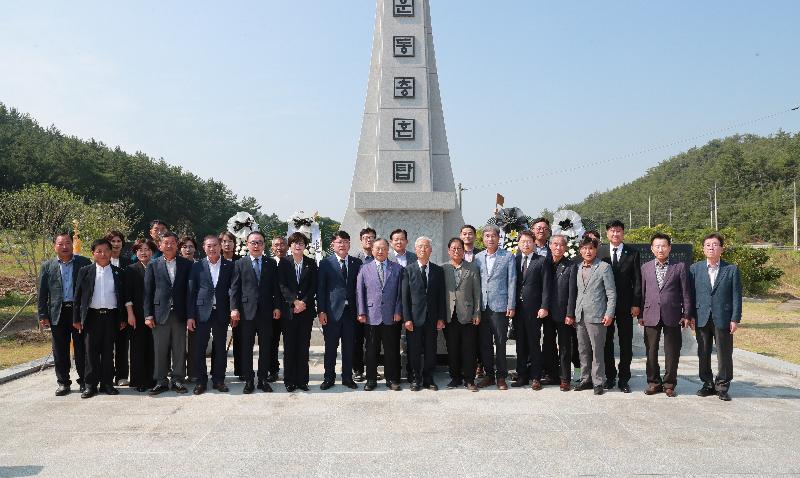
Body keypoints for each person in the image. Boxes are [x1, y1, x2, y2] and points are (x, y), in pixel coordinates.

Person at [689, 232, 742, 401]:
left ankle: (722, 386)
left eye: (715, 245)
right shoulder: (695, 268)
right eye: (708, 245)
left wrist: (735, 318)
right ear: (703, 249)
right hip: (701, 316)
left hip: (723, 317)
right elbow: (690, 294)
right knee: (703, 352)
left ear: (721, 248)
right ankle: (707, 384)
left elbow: (736, 296)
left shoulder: (731, 269)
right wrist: (690, 315)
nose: (711, 248)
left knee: (724, 353)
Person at [38, 232, 91, 396]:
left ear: (72, 244)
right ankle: (63, 383)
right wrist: (42, 315)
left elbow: (89, 289)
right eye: (61, 244)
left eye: (68, 243)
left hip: (78, 313)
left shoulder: (83, 262)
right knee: (59, 350)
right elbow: (42, 293)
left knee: (82, 348)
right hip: (57, 313)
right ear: (55, 246)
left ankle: (84, 381)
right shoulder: (48, 266)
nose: (65, 246)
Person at [640, 232, 693, 397]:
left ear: (669, 248)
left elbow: (686, 293)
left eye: (664, 246)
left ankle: (669, 384)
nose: (660, 249)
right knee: (651, 350)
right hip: (651, 313)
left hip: (673, 313)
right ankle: (653, 383)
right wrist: (641, 314)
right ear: (652, 248)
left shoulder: (679, 267)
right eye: (657, 246)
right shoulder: (646, 267)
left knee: (672, 351)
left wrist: (687, 314)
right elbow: (642, 292)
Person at [230, 231, 281, 394]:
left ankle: (263, 379)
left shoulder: (271, 263)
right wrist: (234, 308)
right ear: (247, 244)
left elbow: (276, 288)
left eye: (259, 242)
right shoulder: (240, 263)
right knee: (246, 347)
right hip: (246, 313)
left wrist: (277, 306)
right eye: (253, 242)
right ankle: (249, 380)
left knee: (266, 347)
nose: (256, 245)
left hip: (266, 312)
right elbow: (235, 289)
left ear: (264, 245)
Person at [73, 239, 125, 398]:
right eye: (99, 251)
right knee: (91, 352)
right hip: (91, 317)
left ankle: (107, 383)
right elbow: (78, 297)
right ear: (93, 253)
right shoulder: (85, 271)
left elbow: (121, 297)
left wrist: (122, 318)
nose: (103, 254)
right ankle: (90, 385)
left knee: (108, 352)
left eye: (106, 251)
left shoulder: (118, 272)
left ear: (111, 253)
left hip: (111, 317)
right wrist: (76, 318)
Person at [143, 232, 193, 395]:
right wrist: (148, 315)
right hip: (160, 313)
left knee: (179, 348)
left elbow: (190, 291)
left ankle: (178, 379)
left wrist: (190, 314)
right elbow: (148, 292)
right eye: (166, 243)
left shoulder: (186, 264)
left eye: (172, 242)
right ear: (160, 246)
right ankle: (161, 380)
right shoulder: (153, 264)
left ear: (177, 245)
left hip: (179, 313)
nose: (169, 245)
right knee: (160, 349)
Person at [567, 237, 616, 395]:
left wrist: (609, 313)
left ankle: (598, 381)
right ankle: (585, 379)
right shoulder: (578, 267)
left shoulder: (604, 267)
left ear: (596, 250)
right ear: (580, 250)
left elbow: (611, 292)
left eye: (591, 248)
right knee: (583, 350)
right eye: (585, 248)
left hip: (597, 316)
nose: (588, 251)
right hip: (580, 316)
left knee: (597, 351)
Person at [598, 220, 641, 393]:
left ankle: (624, 378)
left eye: (618, 231)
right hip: (604, 306)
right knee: (606, 342)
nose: (615, 234)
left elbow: (637, 280)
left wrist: (636, 303)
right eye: (612, 231)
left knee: (625, 343)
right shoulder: (600, 252)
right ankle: (610, 376)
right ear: (607, 233)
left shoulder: (633, 253)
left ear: (623, 233)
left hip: (625, 305)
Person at [187, 235, 234, 394]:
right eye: (209, 246)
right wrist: (190, 316)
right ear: (204, 247)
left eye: (215, 245)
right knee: (199, 348)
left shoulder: (229, 266)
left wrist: (234, 310)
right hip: (201, 312)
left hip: (222, 311)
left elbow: (233, 291)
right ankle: (201, 381)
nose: (212, 248)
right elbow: (192, 292)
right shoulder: (197, 266)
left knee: (220, 347)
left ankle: (218, 380)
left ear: (220, 246)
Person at [356, 238, 404, 391]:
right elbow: (359, 292)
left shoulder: (397, 268)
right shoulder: (364, 268)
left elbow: (400, 294)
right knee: (371, 350)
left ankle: (392, 379)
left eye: (383, 248)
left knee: (392, 350)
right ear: (372, 250)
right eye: (377, 248)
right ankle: (370, 380)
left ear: (388, 249)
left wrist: (398, 311)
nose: (380, 251)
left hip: (391, 316)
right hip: (371, 315)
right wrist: (361, 312)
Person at [317, 231, 362, 390]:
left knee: (349, 347)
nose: (342, 245)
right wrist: (321, 311)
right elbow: (321, 288)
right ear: (333, 245)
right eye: (339, 242)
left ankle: (347, 377)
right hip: (331, 313)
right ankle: (328, 377)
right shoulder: (325, 263)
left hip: (351, 313)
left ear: (350, 244)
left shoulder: (357, 263)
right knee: (330, 348)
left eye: (345, 242)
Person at [474, 225, 517, 390]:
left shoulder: (507, 257)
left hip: (500, 307)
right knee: (484, 343)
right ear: (483, 239)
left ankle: (501, 377)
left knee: (500, 342)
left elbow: (512, 281)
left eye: (493, 236)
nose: (490, 239)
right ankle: (489, 375)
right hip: (483, 307)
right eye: (487, 236)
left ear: (499, 238)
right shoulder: (477, 258)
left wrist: (511, 304)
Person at [401, 237, 446, 391]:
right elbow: (404, 297)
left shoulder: (438, 270)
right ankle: (415, 378)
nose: (423, 249)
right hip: (414, 318)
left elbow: (441, 296)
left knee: (430, 350)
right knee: (413, 350)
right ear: (415, 249)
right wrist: (406, 318)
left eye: (426, 247)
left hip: (432, 318)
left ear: (431, 250)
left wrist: (441, 317)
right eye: (420, 246)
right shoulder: (408, 270)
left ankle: (428, 378)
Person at [511, 230, 552, 390]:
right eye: (523, 241)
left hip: (534, 309)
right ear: (518, 244)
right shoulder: (514, 260)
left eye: (529, 241)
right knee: (520, 343)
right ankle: (522, 375)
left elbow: (546, 287)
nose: (526, 244)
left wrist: (544, 306)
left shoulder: (541, 261)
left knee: (534, 343)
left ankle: (536, 376)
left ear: (534, 243)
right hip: (517, 309)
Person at [278, 232, 317, 392]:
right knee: (290, 347)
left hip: (306, 311)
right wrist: (294, 301)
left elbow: (313, 285)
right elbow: (282, 285)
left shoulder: (311, 263)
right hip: (289, 311)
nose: (298, 245)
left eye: (301, 243)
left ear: (305, 246)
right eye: (294, 243)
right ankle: (289, 380)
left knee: (303, 347)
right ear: (290, 246)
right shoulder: (284, 263)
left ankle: (302, 380)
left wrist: (304, 302)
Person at [442, 238, 481, 391]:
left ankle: (469, 379)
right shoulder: (443, 268)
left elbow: (477, 293)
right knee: (452, 349)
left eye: (459, 248)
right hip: (449, 315)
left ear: (464, 251)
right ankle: (455, 378)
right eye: (453, 248)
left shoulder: (472, 268)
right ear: (448, 251)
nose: (456, 251)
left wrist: (477, 313)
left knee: (469, 349)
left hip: (468, 315)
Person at [124, 239, 156, 392]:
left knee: (153, 347)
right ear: (136, 252)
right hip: (136, 314)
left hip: (155, 315)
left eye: (147, 249)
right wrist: (130, 314)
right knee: (138, 348)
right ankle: (138, 381)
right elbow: (127, 295)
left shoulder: (157, 267)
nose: (144, 252)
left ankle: (153, 379)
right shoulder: (130, 270)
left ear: (153, 252)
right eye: (140, 249)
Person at [548, 234, 577, 391]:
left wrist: (570, 314)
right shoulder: (544, 263)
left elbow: (572, 292)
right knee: (548, 345)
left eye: (561, 245)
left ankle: (565, 378)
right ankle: (553, 375)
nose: (558, 247)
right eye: (555, 244)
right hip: (547, 313)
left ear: (565, 248)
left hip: (563, 313)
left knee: (565, 347)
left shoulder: (571, 266)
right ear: (550, 246)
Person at [105, 231, 132, 386]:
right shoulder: (100, 261)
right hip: (105, 310)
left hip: (123, 310)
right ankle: (107, 375)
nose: (116, 244)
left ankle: (122, 376)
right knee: (106, 346)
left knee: (122, 345)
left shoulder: (128, 262)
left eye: (118, 241)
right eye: (112, 241)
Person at [353, 227, 377, 382]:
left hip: (374, 308)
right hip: (356, 307)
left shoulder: (380, 258)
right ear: (361, 240)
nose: (369, 239)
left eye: (372, 237)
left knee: (372, 342)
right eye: (366, 237)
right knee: (357, 340)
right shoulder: (355, 259)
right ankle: (357, 370)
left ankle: (371, 370)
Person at [219, 231, 242, 379]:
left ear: (235, 244)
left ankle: (240, 370)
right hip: (220, 305)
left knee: (240, 339)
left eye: (230, 241)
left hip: (238, 306)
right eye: (224, 241)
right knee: (219, 341)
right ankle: (218, 372)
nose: (227, 244)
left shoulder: (240, 261)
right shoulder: (215, 260)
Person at [268, 236, 288, 383]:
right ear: (272, 247)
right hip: (271, 310)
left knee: (289, 342)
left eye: (282, 244)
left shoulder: (292, 262)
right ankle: (273, 370)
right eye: (276, 245)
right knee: (271, 341)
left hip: (289, 310)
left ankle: (289, 370)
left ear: (287, 246)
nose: (279, 247)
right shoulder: (268, 263)